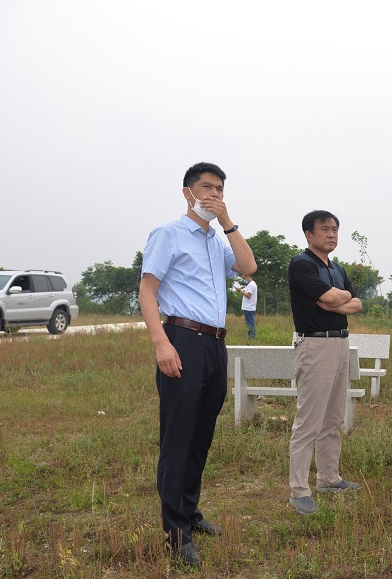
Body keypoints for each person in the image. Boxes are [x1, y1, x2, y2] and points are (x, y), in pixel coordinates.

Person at [138, 162, 256, 567]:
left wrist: (227, 222)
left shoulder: (217, 242)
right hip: (182, 339)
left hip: (215, 344)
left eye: (220, 189)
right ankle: (176, 532)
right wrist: (161, 344)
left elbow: (248, 268)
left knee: (201, 434)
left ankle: (189, 511)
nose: (214, 194)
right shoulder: (168, 234)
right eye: (206, 187)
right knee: (178, 437)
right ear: (188, 192)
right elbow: (147, 292)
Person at [286, 210, 364, 515]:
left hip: (341, 343)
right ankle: (299, 490)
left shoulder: (337, 268)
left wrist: (334, 300)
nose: (331, 234)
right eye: (325, 229)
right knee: (309, 420)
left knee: (333, 418)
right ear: (309, 234)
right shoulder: (302, 264)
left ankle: (329, 478)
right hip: (315, 344)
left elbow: (356, 304)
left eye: (335, 230)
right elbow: (335, 299)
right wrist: (337, 299)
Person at [235, 274, 258, 339]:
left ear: (248, 277)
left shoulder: (251, 284)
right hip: (249, 307)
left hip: (249, 307)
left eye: (244, 278)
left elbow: (248, 295)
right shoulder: (251, 284)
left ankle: (251, 337)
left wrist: (241, 291)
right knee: (249, 322)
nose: (244, 280)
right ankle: (250, 336)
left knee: (250, 323)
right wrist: (241, 290)